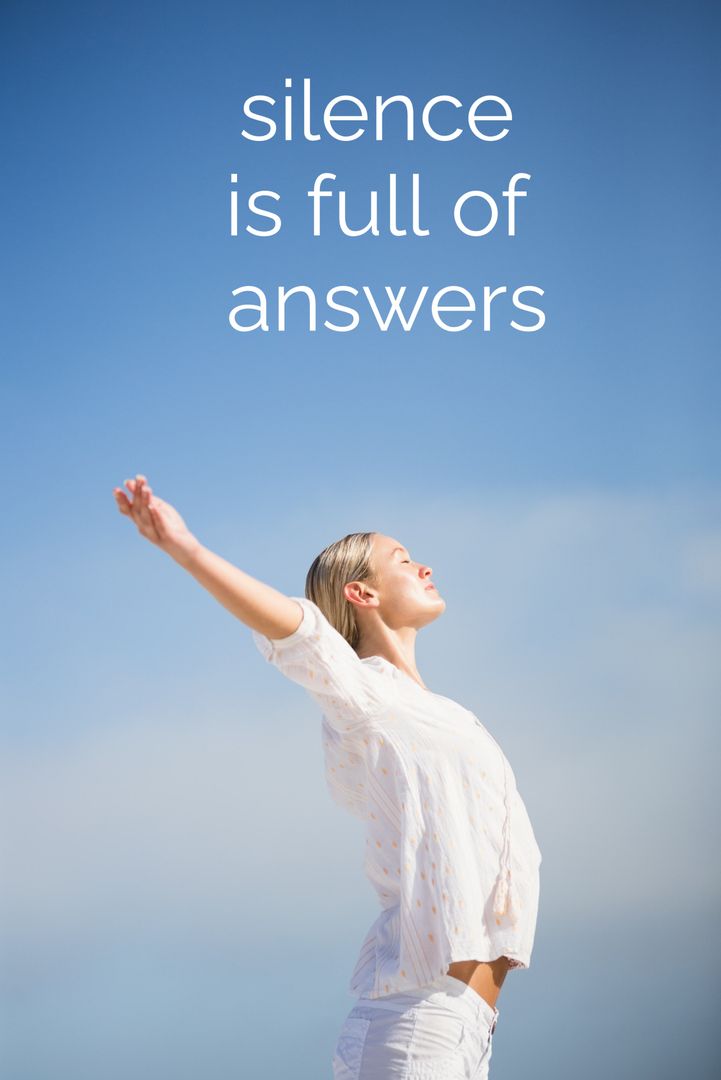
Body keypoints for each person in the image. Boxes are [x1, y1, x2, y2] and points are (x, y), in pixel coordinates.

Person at [113, 474, 543, 1079]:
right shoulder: (367, 696)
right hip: (417, 1026)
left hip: (466, 1029)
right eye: (404, 558)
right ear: (361, 593)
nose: (425, 567)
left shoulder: (436, 713)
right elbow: (298, 630)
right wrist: (187, 549)